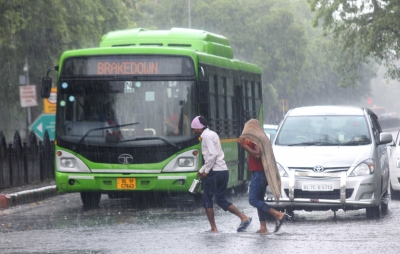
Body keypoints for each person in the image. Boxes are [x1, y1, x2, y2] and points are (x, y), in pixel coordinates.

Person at [191, 116, 252, 233]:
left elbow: (213, 155)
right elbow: (214, 155)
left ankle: (214, 228)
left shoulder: (206, 137)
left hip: (215, 172)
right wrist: (202, 169)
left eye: (195, 129)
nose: (194, 131)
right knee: (220, 199)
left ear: (199, 128)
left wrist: (207, 171)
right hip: (223, 170)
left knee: (207, 200)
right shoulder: (212, 134)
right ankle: (244, 217)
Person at [237, 121, 287, 234]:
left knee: (253, 200)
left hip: (259, 174)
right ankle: (263, 227)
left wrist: (244, 145)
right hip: (261, 174)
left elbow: (257, 154)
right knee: (259, 201)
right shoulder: (260, 137)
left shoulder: (257, 139)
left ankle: (277, 214)